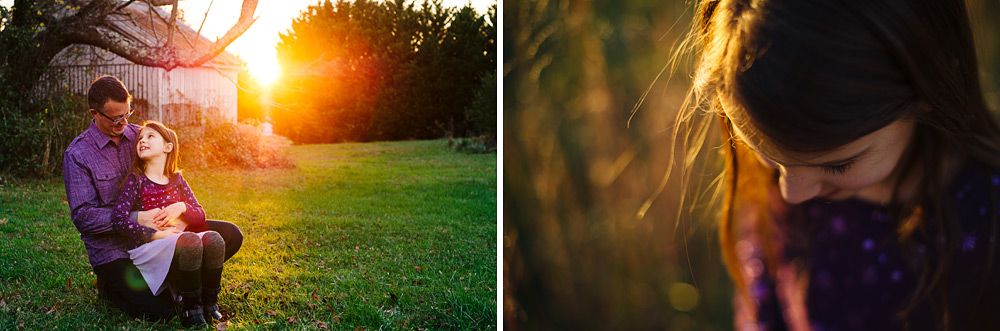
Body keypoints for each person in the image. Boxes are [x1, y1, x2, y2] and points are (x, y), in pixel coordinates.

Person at [673, 0, 1000, 329]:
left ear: (933, 80)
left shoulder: (987, 214)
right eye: (766, 154)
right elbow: (763, 300)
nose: (791, 192)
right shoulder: (773, 180)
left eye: (838, 165)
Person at [62, 75, 243, 323]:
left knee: (228, 235)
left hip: (166, 235)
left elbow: (167, 173)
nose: (124, 122)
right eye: (115, 118)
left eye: (127, 113)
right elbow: (84, 217)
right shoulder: (78, 154)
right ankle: (112, 286)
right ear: (95, 113)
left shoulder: (141, 136)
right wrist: (138, 219)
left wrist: (178, 214)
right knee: (161, 311)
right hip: (116, 249)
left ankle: (180, 278)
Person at [109, 120, 226, 327]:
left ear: (167, 147)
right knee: (189, 240)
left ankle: (209, 303)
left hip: (176, 240)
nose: (142, 140)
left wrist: (181, 207)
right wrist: (155, 234)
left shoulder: (177, 179)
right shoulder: (136, 180)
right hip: (148, 247)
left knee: (214, 239)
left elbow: (200, 215)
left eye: (150, 136)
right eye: (140, 138)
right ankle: (192, 309)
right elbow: (118, 220)